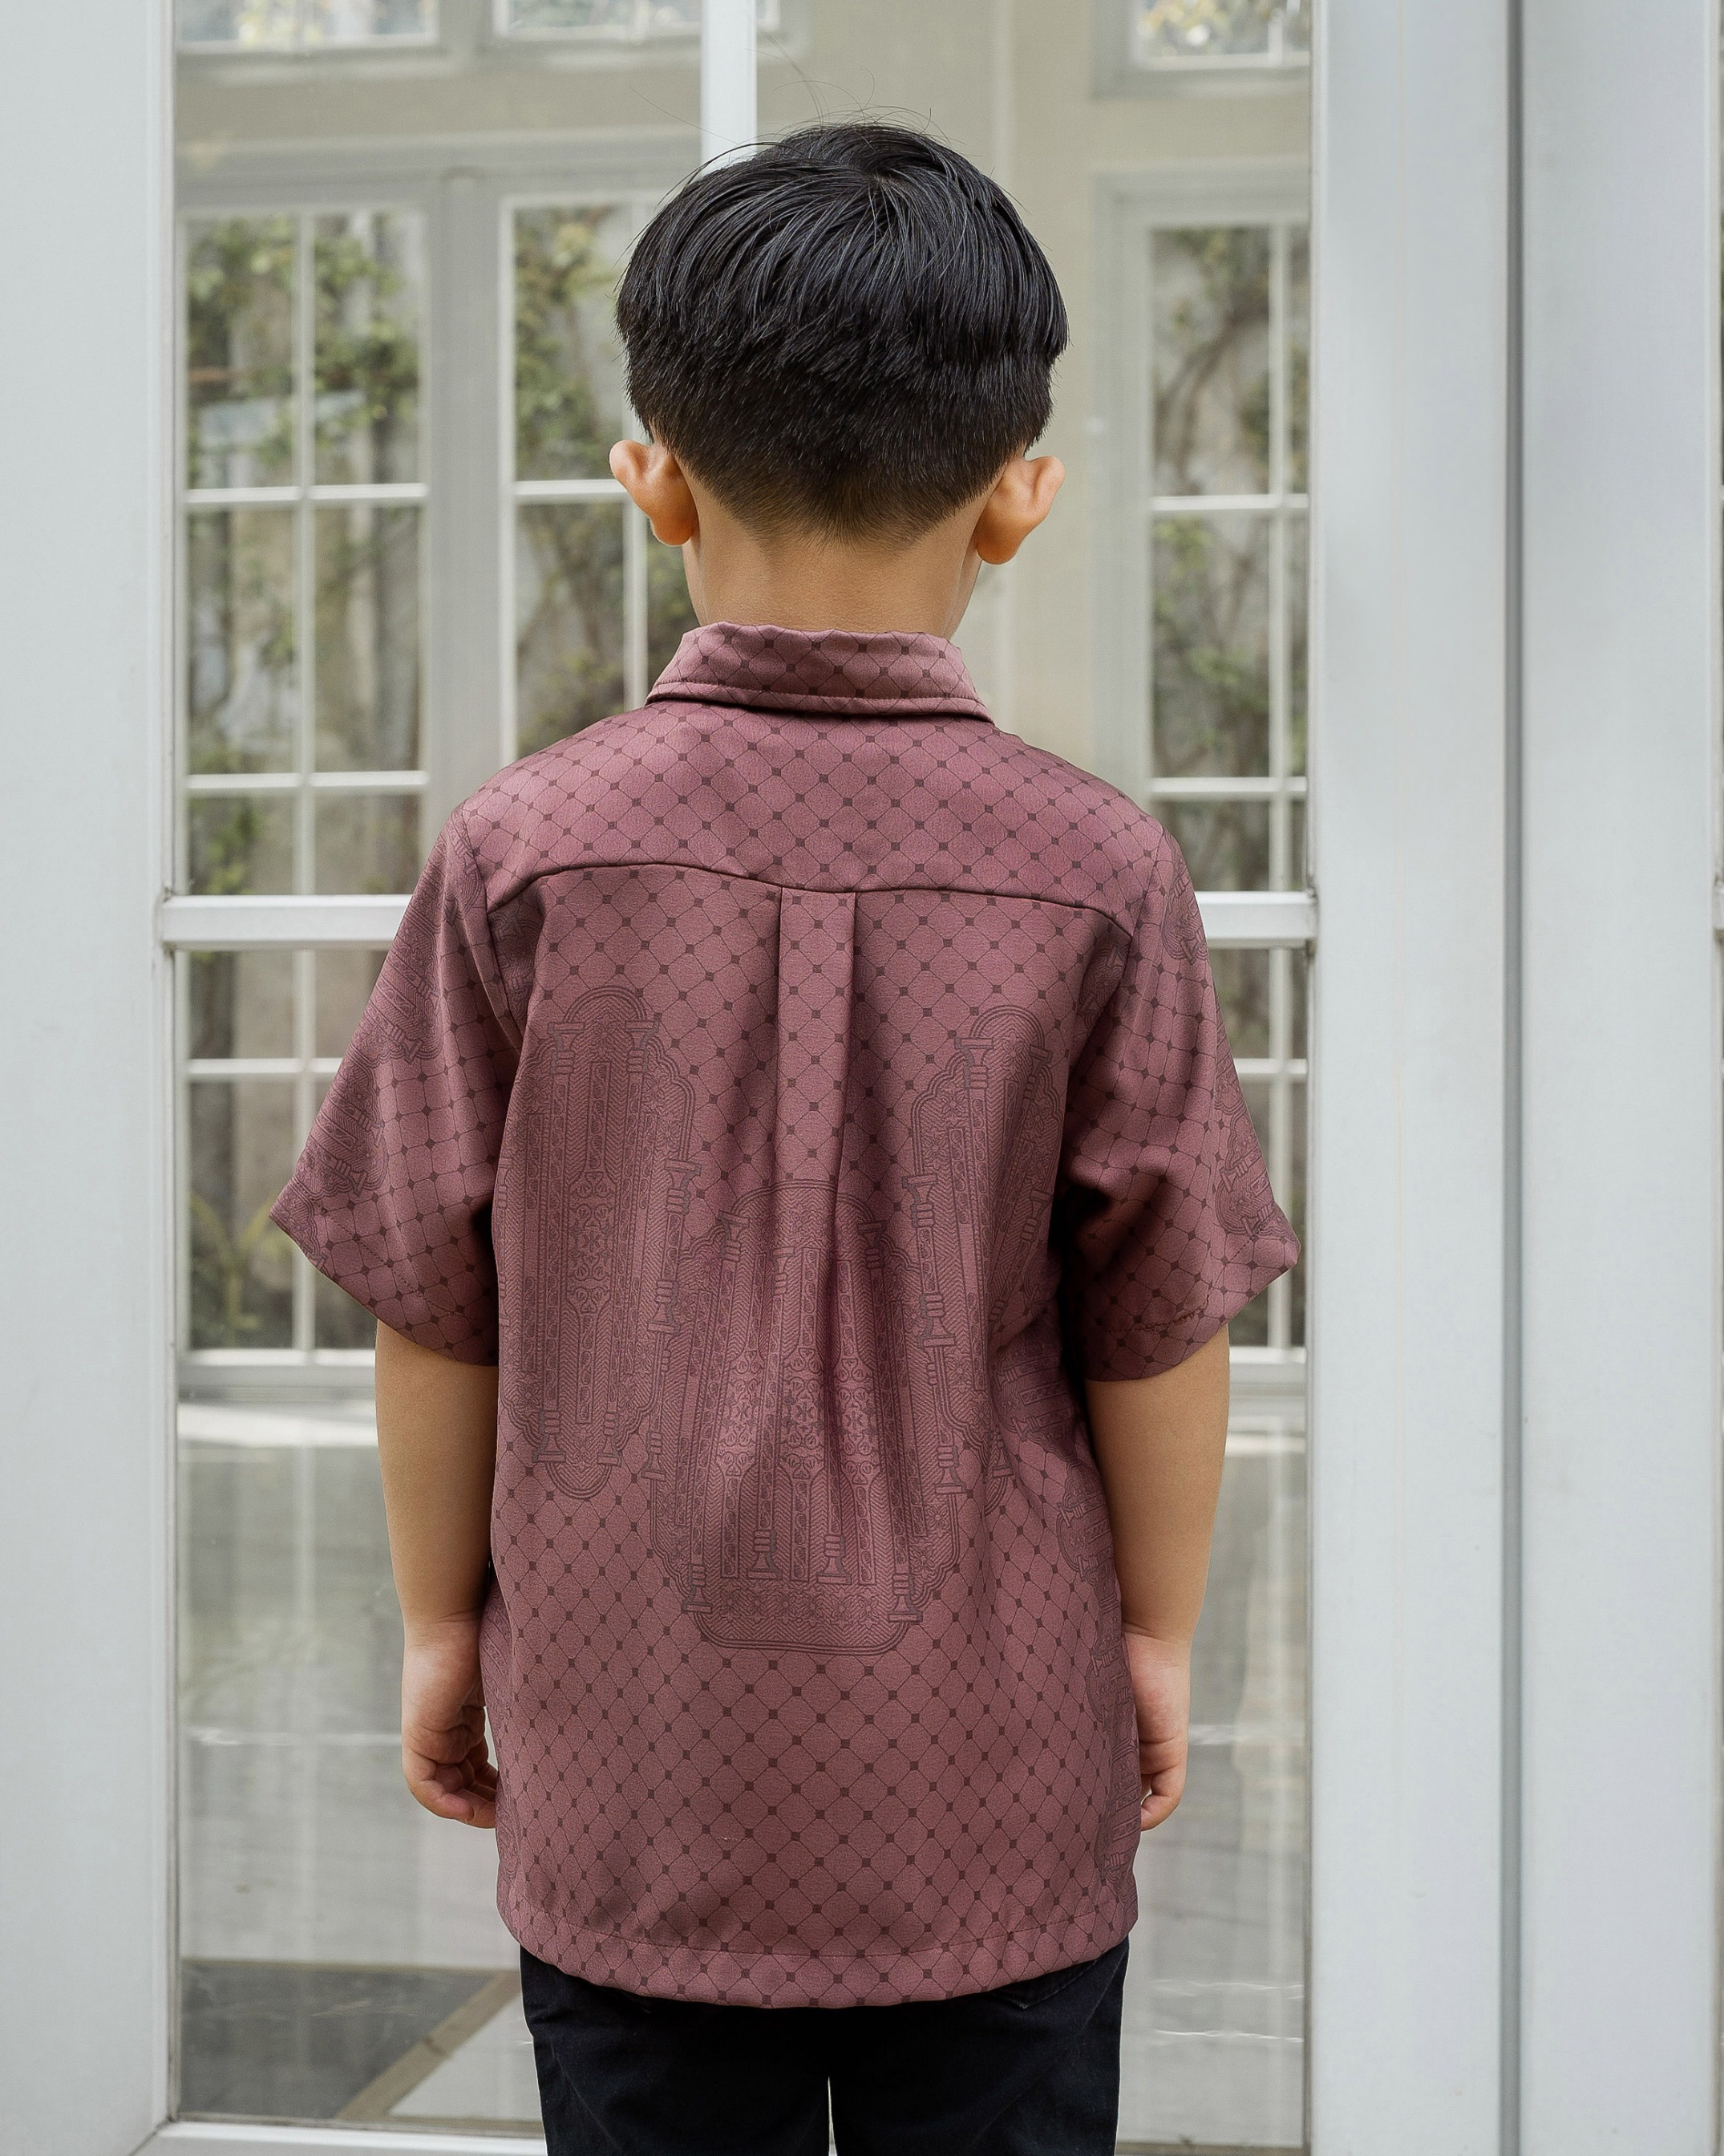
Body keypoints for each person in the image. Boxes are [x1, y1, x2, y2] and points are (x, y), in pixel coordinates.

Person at [272, 120, 1297, 2156]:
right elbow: (1162, 1320)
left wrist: (443, 1626)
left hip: (634, 1761)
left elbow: (430, 1300)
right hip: (989, 1766)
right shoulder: (1099, 868)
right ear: (1017, 499)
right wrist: (1154, 1640)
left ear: (649, 475)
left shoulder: (521, 850)